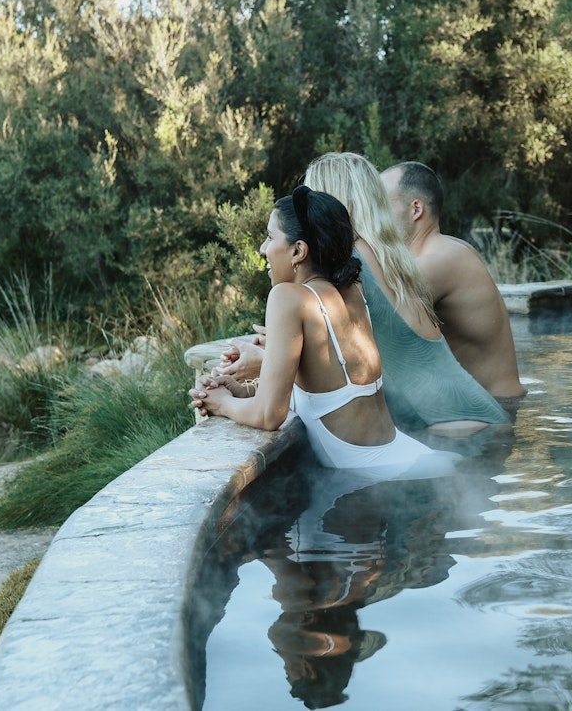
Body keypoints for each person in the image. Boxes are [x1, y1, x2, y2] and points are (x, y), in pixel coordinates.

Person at [189, 186, 454, 478]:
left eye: (269, 237)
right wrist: (245, 391)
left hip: (382, 477)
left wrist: (223, 404)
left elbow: (268, 415)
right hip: (416, 460)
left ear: (298, 251)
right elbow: (325, 383)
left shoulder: (288, 298)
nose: (263, 249)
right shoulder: (351, 290)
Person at [380, 161, 527, 413]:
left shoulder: (438, 262)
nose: (374, 214)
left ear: (416, 209)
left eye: (381, 203)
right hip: (490, 408)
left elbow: (372, 322)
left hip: (493, 416)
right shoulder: (448, 249)